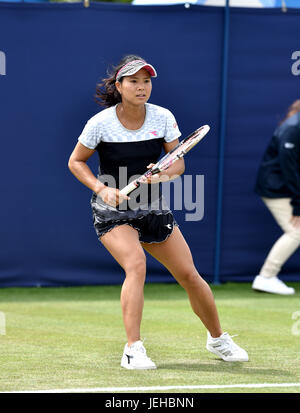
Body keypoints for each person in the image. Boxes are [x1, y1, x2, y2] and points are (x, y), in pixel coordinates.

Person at [68, 54, 248, 369]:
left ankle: (218, 339)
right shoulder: (100, 123)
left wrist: (162, 173)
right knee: (136, 265)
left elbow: (177, 162)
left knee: (190, 275)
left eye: (146, 81)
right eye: (134, 81)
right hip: (113, 212)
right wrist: (101, 189)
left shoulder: (163, 117)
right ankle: (133, 350)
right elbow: (76, 161)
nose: (141, 87)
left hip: (152, 207)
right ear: (119, 86)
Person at [253, 100, 300, 295]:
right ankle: (266, 277)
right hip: (278, 189)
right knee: (297, 232)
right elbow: (289, 168)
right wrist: (298, 204)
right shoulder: (293, 128)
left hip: (287, 188)